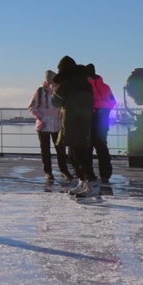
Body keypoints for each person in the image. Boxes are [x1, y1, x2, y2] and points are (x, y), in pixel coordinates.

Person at [51, 55, 100, 198]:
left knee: (77, 154)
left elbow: (55, 102)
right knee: (77, 153)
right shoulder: (85, 83)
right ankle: (83, 182)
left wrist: (55, 90)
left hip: (72, 121)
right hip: (84, 122)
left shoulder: (67, 84)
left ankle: (91, 182)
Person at [28, 70, 71, 182]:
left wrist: (61, 117)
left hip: (57, 125)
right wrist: (41, 117)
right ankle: (48, 172)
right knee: (45, 150)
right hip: (43, 126)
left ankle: (63, 170)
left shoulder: (59, 91)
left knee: (60, 149)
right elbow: (32, 107)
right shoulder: (41, 91)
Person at [86, 64, 116, 184]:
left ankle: (91, 175)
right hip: (101, 119)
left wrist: (96, 107)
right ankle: (104, 174)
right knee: (101, 147)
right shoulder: (105, 87)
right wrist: (102, 108)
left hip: (95, 119)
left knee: (91, 148)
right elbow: (112, 102)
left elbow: (112, 102)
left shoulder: (86, 87)